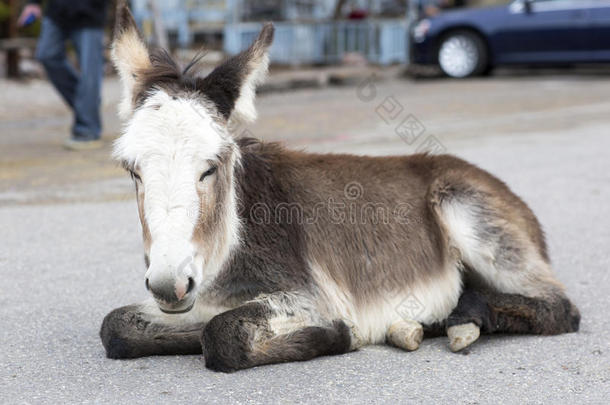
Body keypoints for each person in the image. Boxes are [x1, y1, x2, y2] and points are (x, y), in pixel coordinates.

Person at [18, 0, 108, 150]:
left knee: (90, 72)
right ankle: (87, 106)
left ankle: (87, 130)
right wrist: (33, 3)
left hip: (90, 12)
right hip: (57, 11)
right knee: (47, 55)